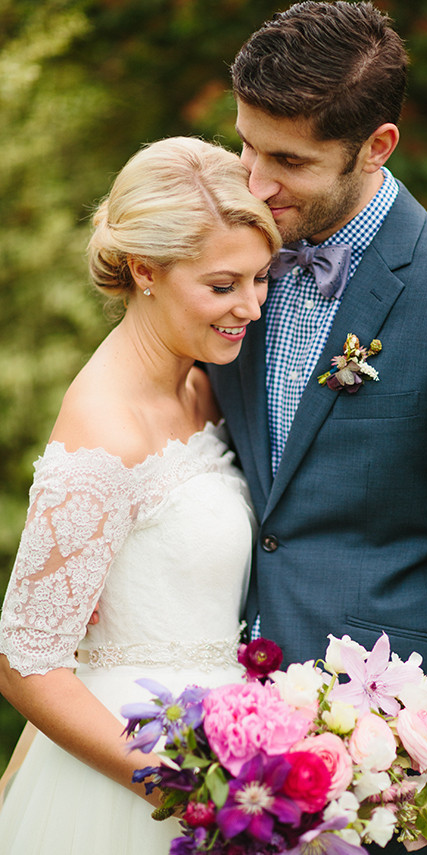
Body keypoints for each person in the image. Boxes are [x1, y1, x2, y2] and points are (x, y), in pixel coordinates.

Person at [207, 3, 427, 853]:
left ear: (377, 146)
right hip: (212, 750)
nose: (254, 182)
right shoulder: (224, 269)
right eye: (245, 145)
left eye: (288, 161)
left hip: (377, 773)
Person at [0, 136, 281, 854]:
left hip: (232, 747)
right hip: (133, 779)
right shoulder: (103, 431)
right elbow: (25, 664)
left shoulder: (202, 384)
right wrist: (182, 789)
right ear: (144, 270)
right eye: (223, 285)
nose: (250, 307)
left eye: (259, 278)